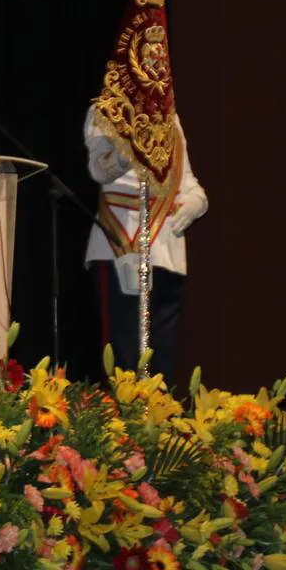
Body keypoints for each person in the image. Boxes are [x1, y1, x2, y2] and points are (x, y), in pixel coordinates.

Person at [84, 106, 207, 380]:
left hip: (167, 248)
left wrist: (196, 202)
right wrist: (128, 152)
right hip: (119, 245)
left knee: (160, 360)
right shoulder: (106, 109)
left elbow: (186, 180)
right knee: (123, 359)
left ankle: (157, 420)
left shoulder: (170, 117)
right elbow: (99, 170)